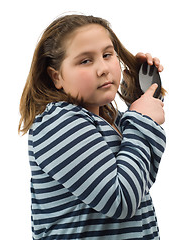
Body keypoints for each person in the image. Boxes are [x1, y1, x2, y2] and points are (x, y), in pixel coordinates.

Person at [19, 14, 166, 240]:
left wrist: (140, 96)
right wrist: (141, 120)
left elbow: (139, 179)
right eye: (85, 61)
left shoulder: (108, 120)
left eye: (108, 55)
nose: (103, 69)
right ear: (56, 77)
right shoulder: (58, 123)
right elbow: (122, 201)